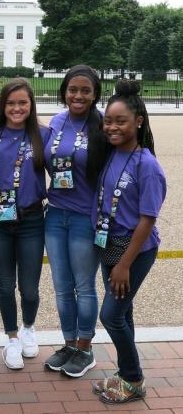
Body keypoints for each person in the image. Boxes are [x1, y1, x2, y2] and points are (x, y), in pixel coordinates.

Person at [91, 80, 166, 403]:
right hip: (109, 242)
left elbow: (147, 220)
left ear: (138, 121)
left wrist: (124, 265)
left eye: (120, 121)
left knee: (111, 316)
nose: (112, 127)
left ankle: (134, 378)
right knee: (124, 314)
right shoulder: (113, 154)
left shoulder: (147, 165)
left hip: (133, 250)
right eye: (108, 121)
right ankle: (125, 373)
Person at [44, 65, 108, 377]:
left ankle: (85, 348)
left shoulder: (103, 127)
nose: (78, 96)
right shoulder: (57, 121)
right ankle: (69, 344)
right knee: (61, 286)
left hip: (86, 217)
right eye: (73, 90)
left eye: (85, 90)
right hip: (55, 213)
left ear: (95, 94)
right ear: (64, 92)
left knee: (84, 285)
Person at [0, 78, 47, 370]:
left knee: (30, 287)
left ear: (31, 105)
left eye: (23, 102)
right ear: (3, 106)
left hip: (32, 219)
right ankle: (11, 338)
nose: (17, 108)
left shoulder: (42, 135)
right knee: (6, 283)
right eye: (11, 103)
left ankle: (29, 328)